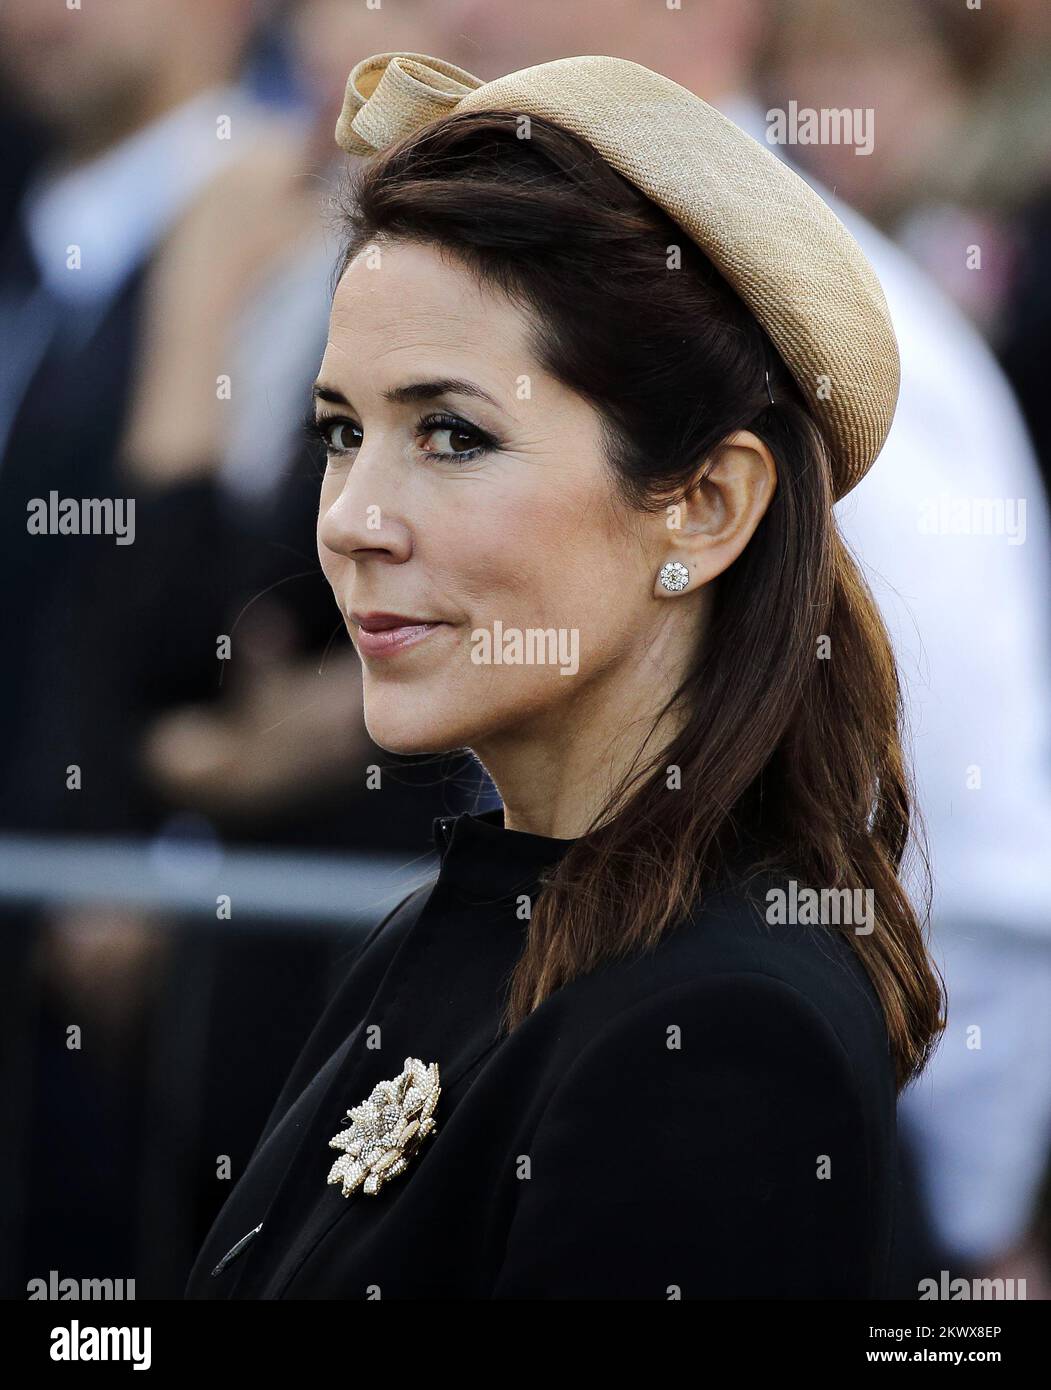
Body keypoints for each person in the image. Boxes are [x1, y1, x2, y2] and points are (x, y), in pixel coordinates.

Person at [184, 50, 944, 1300]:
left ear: (704, 507)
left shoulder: (714, 1034)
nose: (354, 518)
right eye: (340, 432)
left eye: (454, 434)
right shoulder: (454, 931)